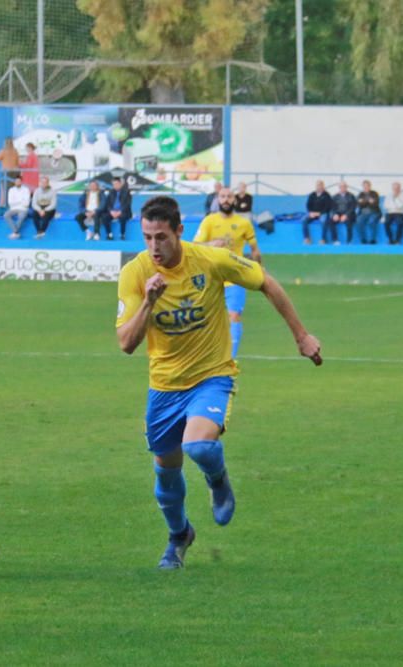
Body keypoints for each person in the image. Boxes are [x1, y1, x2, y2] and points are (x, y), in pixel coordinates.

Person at [116, 195, 321, 569]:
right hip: (163, 386)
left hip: (212, 376)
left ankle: (218, 479)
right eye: (147, 237)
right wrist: (148, 302)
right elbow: (127, 343)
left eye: (161, 237)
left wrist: (302, 337)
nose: (153, 247)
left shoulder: (210, 261)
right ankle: (179, 535)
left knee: (198, 445)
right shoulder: (136, 273)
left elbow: (267, 283)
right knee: (166, 473)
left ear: (179, 231)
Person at [194, 187, 262, 358]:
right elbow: (195, 246)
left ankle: (230, 358)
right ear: (218, 199)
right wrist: (212, 244)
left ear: (234, 200)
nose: (226, 200)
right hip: (212, 277)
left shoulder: (244, 223)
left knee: (234, 315)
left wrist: (259, 268)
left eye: (229, 196)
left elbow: (255, 249)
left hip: (235, 278)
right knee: (207, 318)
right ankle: (206, 355)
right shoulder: (209, 221)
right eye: (222, 196)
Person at [302, 180, 333, 244]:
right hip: (313, 213)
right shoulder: (312, 195)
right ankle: (307, 238)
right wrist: (311, 212)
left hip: (322, 213)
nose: (319, 187)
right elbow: (308, 205)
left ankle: (323, 239)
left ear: (323, 186)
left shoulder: (327, 195)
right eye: (317, 185)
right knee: (304, 220)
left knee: (324, 221)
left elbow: (328, 207)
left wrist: (319, 213)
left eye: (320, 185)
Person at [329, 181, 357, 245]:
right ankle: (335, 240)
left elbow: (353, 207)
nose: (342, 188)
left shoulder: (351, 196)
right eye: (341, 187)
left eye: (344, 186)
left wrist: (346, 215)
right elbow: (332, 207)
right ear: (339, 188)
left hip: (349, 214)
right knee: (331, 221)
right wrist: (335, 214)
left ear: (346, 187)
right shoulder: (335, 196)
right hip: (338, 214)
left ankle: (349, 240)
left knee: (349, 222)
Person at [0, 137, 20, 205]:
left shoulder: (3, 151)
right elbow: (17, 162)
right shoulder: (15, 151)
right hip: (15, 172)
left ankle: (6, 205)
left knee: (6, 189)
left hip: (6, 172)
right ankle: (14, 203)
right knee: (15, 188)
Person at [355, 180, 381, 244]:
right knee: (358, 221)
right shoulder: (361, 194)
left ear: (370, 186)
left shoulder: (375, 193)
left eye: (367, 186)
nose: (366, 188)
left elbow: (375, 204)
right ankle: (363, 239)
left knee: (371, 221)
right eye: (364, 186)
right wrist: (368, 201)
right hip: (363, 213)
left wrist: (364, 201)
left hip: (374, 212)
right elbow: (359, 204)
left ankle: (372, 239)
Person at [31, 175, 57, 240]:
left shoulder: (52, 191)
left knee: (46, 217)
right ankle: (39, 231)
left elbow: (53, 204)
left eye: (45, 182)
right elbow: (34, 203)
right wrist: (39, 210)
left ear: (48, 183)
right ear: (40, 183)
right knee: (34, 215)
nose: (43, 184)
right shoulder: (36, 191)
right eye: (42, 182)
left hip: (49, 208)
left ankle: (42, 231)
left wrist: (44, 210)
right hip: (39, 208)